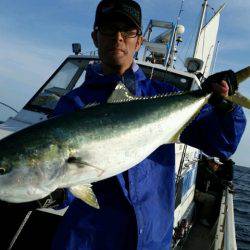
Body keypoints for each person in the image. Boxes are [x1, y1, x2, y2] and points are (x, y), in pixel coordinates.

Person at [0, 0, 246, 249]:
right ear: (96, 37)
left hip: (149, 239)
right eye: (108, 30)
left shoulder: (162, 95)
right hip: (89, 241)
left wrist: (226, 108)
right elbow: (65, 183)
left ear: (138, 41)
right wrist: (51, 195)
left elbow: (222, 145)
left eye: (127, 31)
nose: (117, 38)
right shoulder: (74, 103)